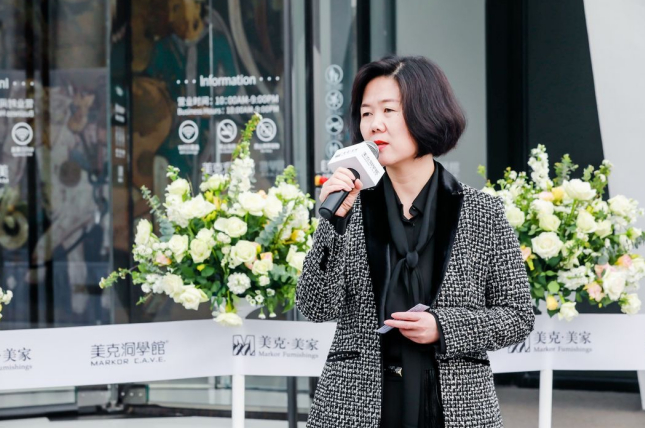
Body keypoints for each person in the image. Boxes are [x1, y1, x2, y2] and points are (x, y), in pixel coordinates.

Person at [297, 56, 535, 428]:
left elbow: (518, 316)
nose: (375, 124)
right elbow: (316, 307)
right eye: (366, 113)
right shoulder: (350, 205)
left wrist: (444, 327)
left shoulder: (482, 212)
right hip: (357, 404)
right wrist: (334, 226)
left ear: (427, 114)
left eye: (388, 110)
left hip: (454, 404)